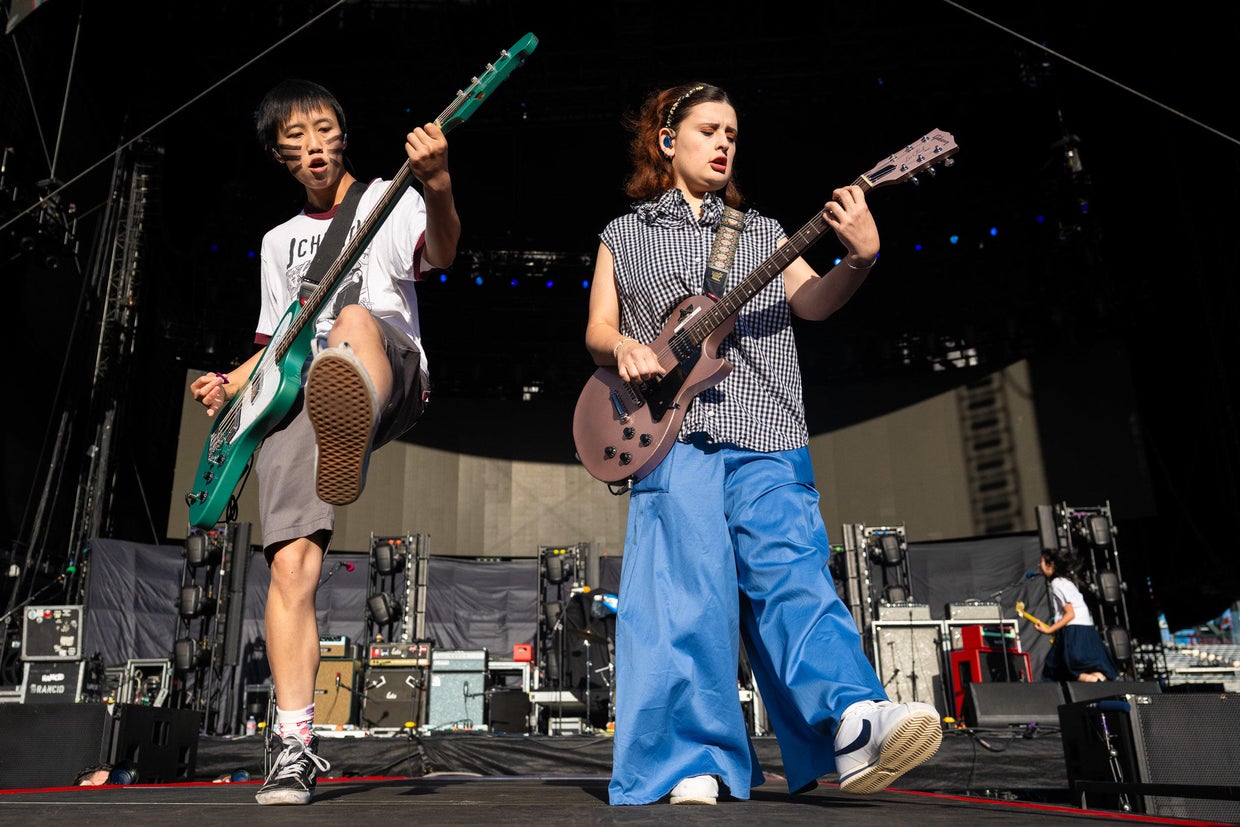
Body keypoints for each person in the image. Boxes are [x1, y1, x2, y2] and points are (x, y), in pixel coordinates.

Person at [584, 81, 942, 806]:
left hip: (769, 426)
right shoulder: (623, 235)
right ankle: (693, 758)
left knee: (794, 575)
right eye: (710, 129)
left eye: (733, 134)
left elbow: (809, 301)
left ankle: (855, 717)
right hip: (674, 438)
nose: (724, 143)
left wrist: (859, 260)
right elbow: (597, 329)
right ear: (666, 139)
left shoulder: (764, 231)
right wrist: (623, 346)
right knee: (686, 599)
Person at [190, 78, 459, 805]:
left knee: (353, 325)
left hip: (388, 366)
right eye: (293, 139)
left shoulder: (388, 198)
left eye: (321, 129)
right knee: (290, 566)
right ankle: (293, 743)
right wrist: (229, 382)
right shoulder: (278, 242)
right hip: (302, 392)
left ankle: (355, 413)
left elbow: (444, 251)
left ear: (342, 132)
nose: (311, 145)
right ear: (280, 157)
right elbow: (275, 342)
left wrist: (436, 183)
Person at [1034, 549, 1119, 682]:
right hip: (1086, 630)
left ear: (1051, 565)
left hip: (1073, 632)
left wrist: (1049, 629)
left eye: (1042, 562)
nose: (1039, 566)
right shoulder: (1066, 581)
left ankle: (1095, 684)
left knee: (1059, 671)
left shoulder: (1056, 583)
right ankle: (1098, 682)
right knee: (1088, 669)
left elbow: (1070, 614)